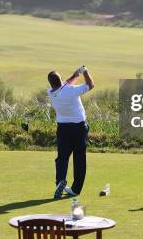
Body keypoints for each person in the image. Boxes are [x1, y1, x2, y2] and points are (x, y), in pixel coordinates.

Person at [47, 66, 94, 199]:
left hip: (62, 129)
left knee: (62, 157)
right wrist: (85, 72)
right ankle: (75, 189)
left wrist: (74, 76)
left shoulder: (51, 92)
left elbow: (62, 85)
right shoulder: (72, 90)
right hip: (79, 128)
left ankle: (60, 181)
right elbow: (91, 85)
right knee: (79, 158)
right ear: (61, 79)